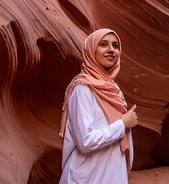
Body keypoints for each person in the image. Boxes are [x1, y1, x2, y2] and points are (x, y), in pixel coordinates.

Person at [59, 28, 138, 183]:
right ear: (91, 50)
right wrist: (122, 124)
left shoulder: (113, 90)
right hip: (86, 177)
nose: (111, 50)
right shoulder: (83, 89)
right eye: (103, 44)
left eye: (115, 46)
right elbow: (85, 141)